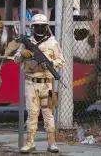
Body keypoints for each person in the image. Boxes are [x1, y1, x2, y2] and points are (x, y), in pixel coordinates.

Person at [14, 14, 65, 154]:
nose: (40, 28)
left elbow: (61, 61)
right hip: (31, 83)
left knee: (48, 114)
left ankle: (52, 143)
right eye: (37, 26)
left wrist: (49, 62)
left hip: (47, 84)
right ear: (33, 27)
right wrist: (23, 55)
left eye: (42, 26)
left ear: (46, 27)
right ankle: (30, 143)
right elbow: (16, 60)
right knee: (32, 114)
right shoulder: (26, 43)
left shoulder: (52, 43)